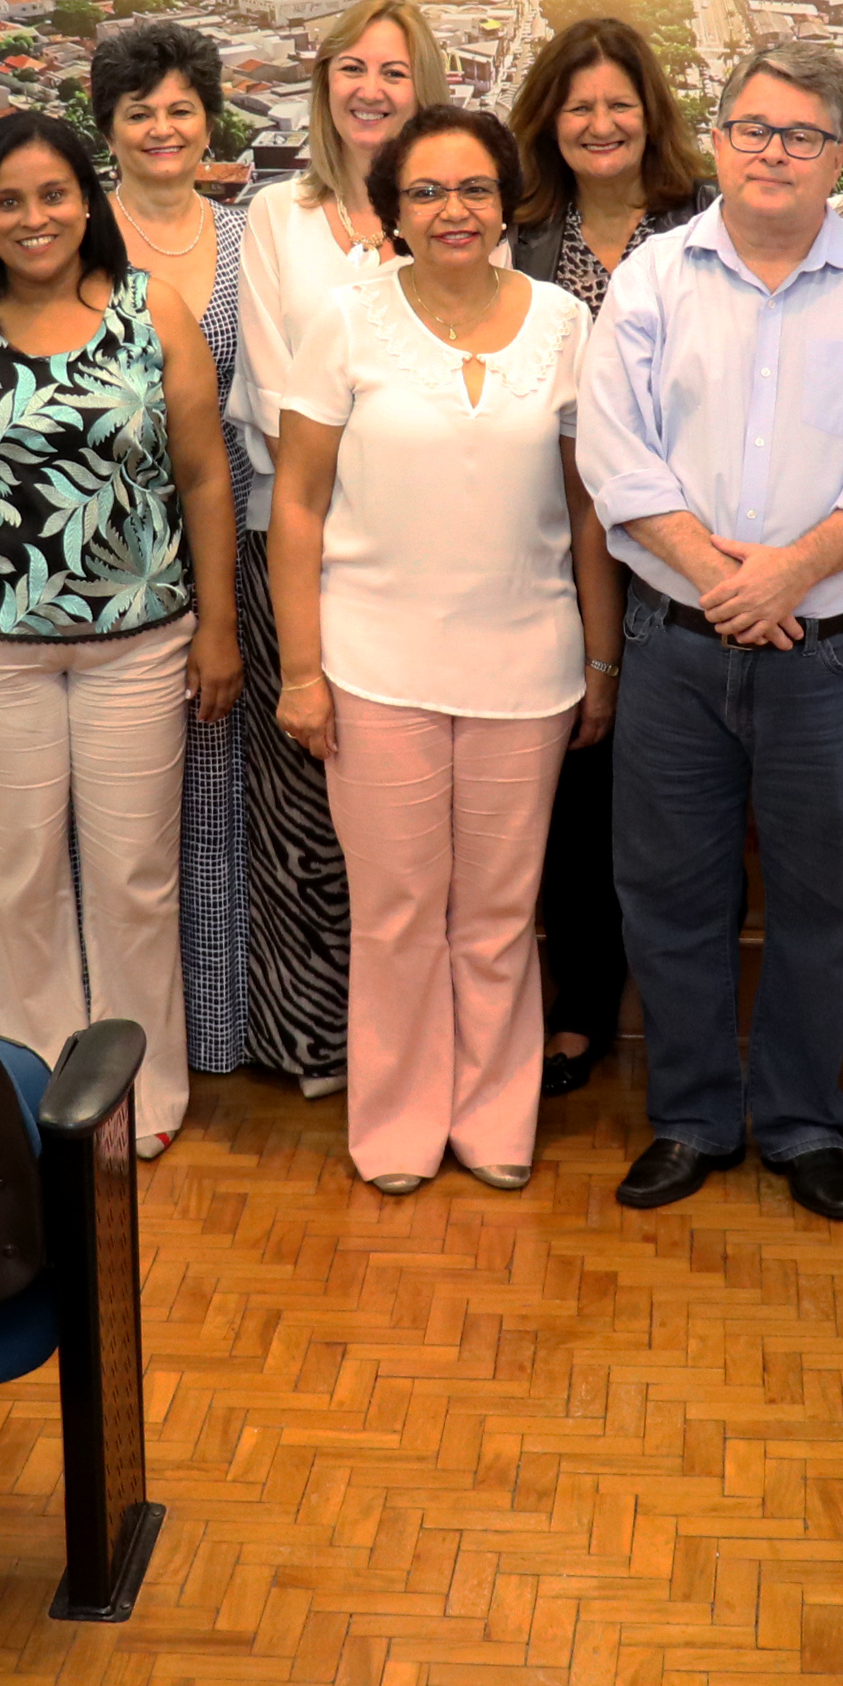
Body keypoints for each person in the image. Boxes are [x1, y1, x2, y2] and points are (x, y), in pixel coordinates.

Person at [577, 41, 843, 1222]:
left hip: (829, 648)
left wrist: (789, 572)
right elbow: (614, 452)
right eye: (752, 128)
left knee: (824, 901)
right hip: (674, 640)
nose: (772, 152)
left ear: (840, 153)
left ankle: (800, 1121)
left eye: (801, 135)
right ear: (718, 135)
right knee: (667, 892)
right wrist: (719, 577)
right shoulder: (654, 277)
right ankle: (691, 1117)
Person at [0, 115, 240, 1158]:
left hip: (140, 644)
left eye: (53, 194)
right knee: (25, 879)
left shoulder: (149, 308)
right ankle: (41, 1089)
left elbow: (204, 475)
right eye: (8, 200)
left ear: (88, 200)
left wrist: (219, 626)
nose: (33, 217)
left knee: (133, 881)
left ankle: (138, 1095)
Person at [269, 107, 618, 1195]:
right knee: (398, 912)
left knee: (502, 912)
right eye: (425, 191)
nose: (452, 210)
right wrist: (299, 670)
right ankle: (398, 1122)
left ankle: (493, 1115)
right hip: (374, 666)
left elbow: (590, 510)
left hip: (528, 666)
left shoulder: (564, 322)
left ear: (506, 201)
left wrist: (600, 662)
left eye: (473, 189)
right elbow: (295, 503)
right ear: (393, 211)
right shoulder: (345, 320)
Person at [230, 0, 442, 1099]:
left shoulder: (453, 211)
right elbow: (278, 403)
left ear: (425, 88)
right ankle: (314, 1042)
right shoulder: (279, 215)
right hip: (300, 554)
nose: (371, 88)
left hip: (427, 566)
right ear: (323, 85)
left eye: (394, 71)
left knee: (411, 822)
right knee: (303, 811)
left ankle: (414, 1045)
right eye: (352, 67)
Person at [501, 16, 709, 1100]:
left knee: (676, 808)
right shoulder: (520, 232)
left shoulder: (707, 221)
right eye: (577, 106)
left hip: (690, 550)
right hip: (547, 543)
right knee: (574, 795)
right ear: (549, 121)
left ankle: (682, 1030)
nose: (598, 123)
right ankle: (580, 1005)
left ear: (650, 113)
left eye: (617, 103)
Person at [95, 20, 257, 1074]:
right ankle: (110, 1046)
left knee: (211, 790)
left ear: (209, 122)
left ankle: (209, 1030)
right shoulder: (68, 236)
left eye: (180, 109)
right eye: (139, 111)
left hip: (228, 543)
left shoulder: (251, 239)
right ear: (107, 128)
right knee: (114, 817)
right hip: (99, 557)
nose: (162, 128)